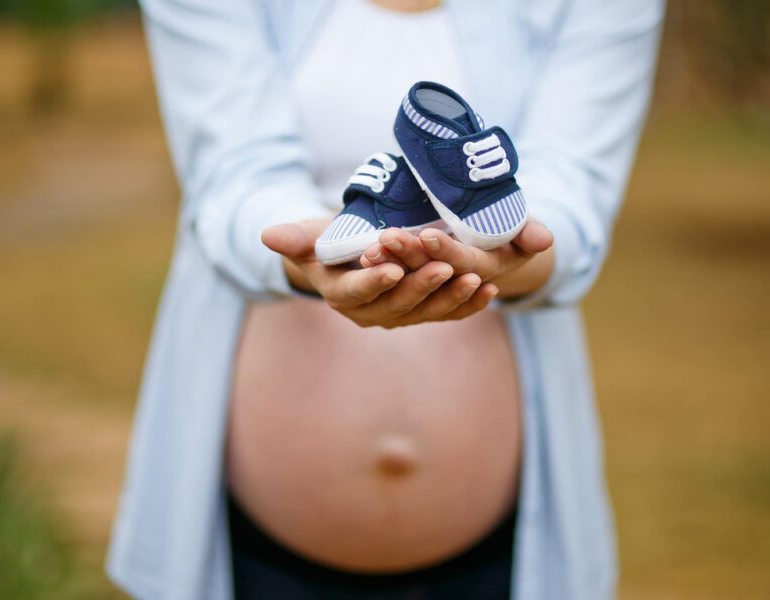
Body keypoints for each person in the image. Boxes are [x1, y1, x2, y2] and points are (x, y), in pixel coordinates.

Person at [107, 1, 664, 598]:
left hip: (501, 549)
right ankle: (388, 196)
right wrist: (305, 255)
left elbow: (573, 188)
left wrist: (512, 255)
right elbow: (233, 175)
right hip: (254, 543)